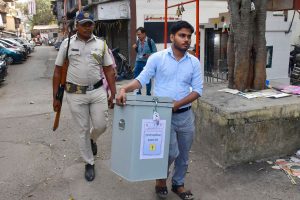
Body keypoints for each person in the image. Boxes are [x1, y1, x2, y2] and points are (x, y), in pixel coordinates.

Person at [116, 21, 203, 200]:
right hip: (161, 115)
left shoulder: (194, 62)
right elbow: (141, 80)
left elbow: (197, 91)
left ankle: (178, 184)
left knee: (184, 154)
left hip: (185, 114)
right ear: (172, 37)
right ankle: (161, 179)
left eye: (189, 36)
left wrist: (177, 104)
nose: (186, 40)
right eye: (182, 35)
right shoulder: (158, 58)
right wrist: (124, 89)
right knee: (170, 152)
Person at [52, 11, 116, 182]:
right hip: (75, 94)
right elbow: (58, 70)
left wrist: (113, 93)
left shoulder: (101, 44)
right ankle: (89, 162)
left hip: (97, 92)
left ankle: (92, 139)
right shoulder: (67, 44)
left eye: (90, 24)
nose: (88, 27)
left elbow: (109, 70)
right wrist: (55, 97)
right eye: (84, 24)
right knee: (82, 129)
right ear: (77, 26)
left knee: (102, 125)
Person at [132, 27, 157, 95]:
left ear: (144, 34)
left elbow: (155, 52)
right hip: (138, 61)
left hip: (147, 62)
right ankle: (138, 92)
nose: (138, 36)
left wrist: (149, 55)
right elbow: (138, 52)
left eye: (139, 34)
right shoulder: (138, 41)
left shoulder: (150, 41)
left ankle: (148, 93)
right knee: (137, 77)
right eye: (137, 35)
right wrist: (135, 48)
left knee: (147, 78)